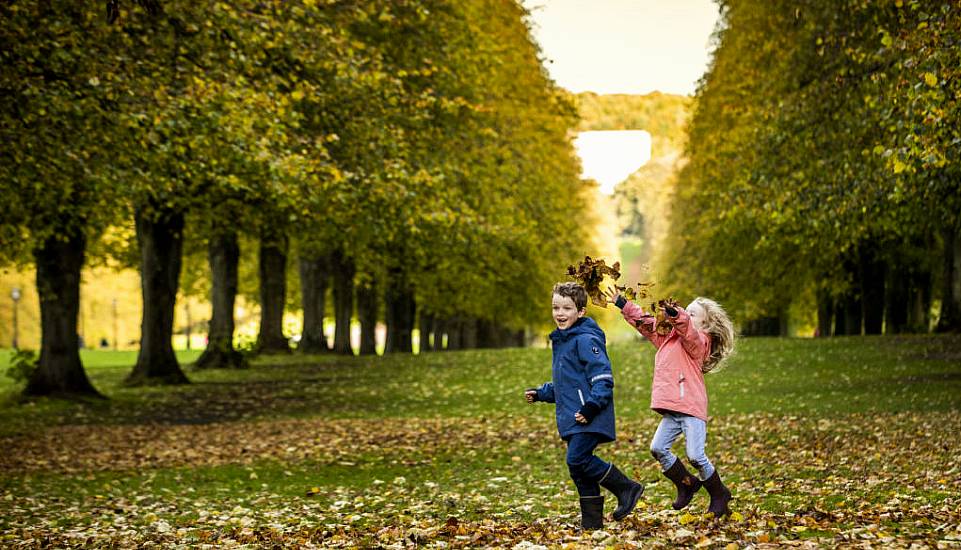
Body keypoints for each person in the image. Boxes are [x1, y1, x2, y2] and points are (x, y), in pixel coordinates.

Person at [607, 289, 736, 518]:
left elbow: (689, 332)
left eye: (692, 314)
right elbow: (646, 323)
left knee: (696, 455)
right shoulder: (668, 337)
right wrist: (623, 303)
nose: (686, 314)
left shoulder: (701, 342)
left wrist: (677, 315)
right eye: (686, 311)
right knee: (657, 448)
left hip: (692, 408)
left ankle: (719, 494)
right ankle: (687, 483)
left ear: (706, 324)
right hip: (673, 409)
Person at [525, 282, 643, 530]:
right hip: (573, 417)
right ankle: (592, 523)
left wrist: (590, 408)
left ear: (581, 312)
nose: (560, 313)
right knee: (578, 470)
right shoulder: (564, 341)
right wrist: (541, 393)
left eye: (567, 308)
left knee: (576, 459)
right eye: (556, 307)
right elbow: (565, 384)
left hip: (589, 415)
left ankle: (626, 488)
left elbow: (603, 378)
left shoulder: (586, 339)